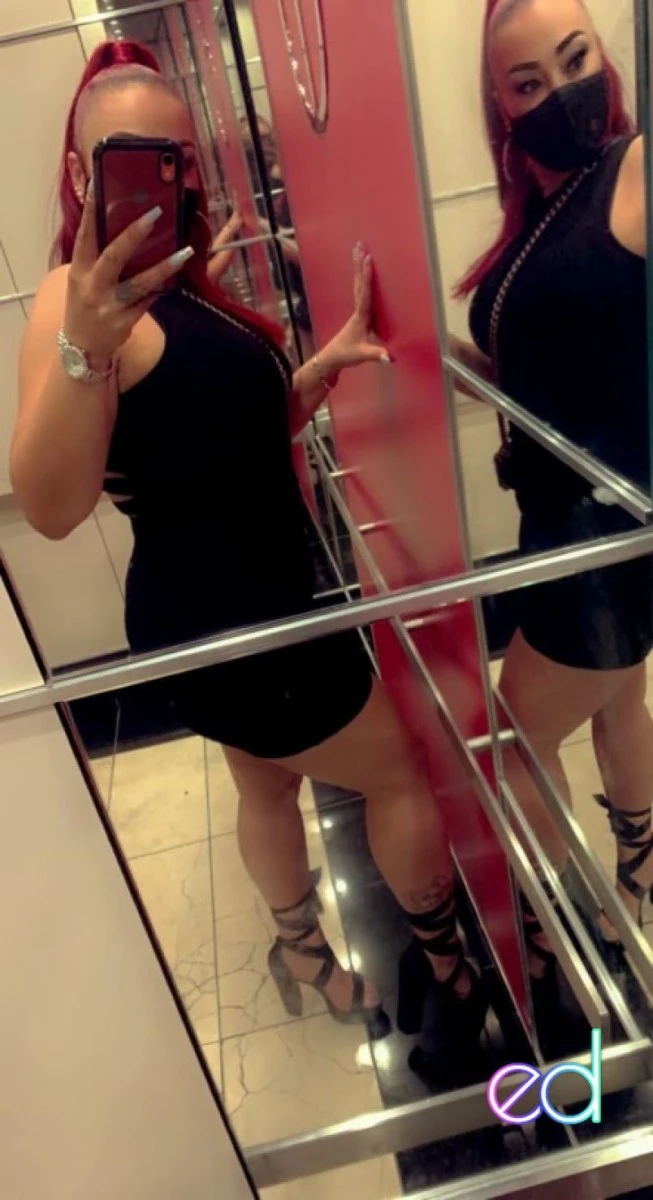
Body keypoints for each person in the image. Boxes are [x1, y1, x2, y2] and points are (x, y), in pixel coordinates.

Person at [11, 40, 488, 1047]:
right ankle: (447, 970)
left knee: (266, 780)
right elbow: (49, 506)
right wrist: (84, 344)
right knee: (398, 769)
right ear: (80, 176)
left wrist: (322, 365)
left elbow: (225, 444)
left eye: (179, 157)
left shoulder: (181, 293)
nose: (164, 179)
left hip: (234, 611)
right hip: (234, 624)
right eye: (129, 158)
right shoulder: (71, 302)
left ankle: (300, 952)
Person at [452, 0, 653, 960]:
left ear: (603, 55)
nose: (562, 93)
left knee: (507, 744)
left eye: (575, 60)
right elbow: (541, 371)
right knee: (616, 701)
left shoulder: (634, 167)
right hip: (558, 521)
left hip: (605, 533)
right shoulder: (541, 211)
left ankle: (562, 922)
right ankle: (639, 873)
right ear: (501, 105)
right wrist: (432, 351)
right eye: (528, 83)